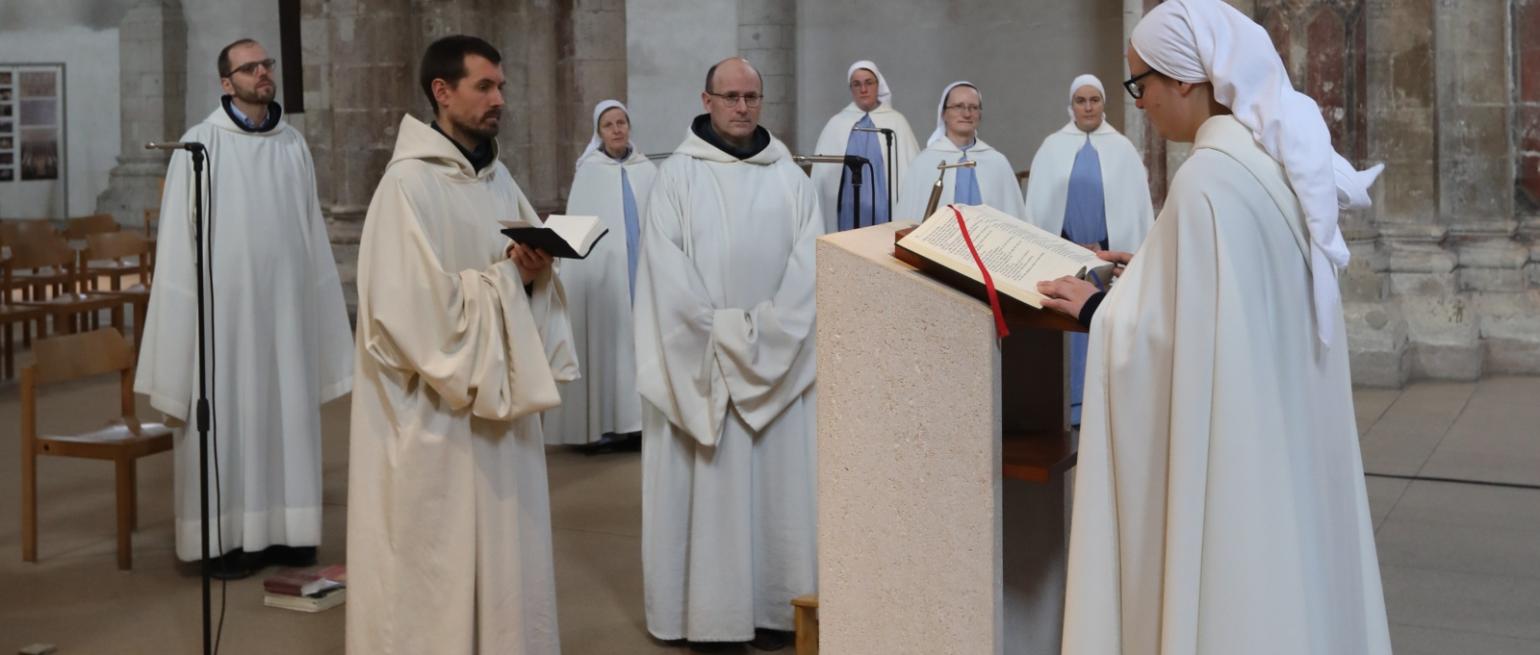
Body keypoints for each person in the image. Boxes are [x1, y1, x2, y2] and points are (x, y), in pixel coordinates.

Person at [1035, 1, 1393, 653]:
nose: (1137, 101)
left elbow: (1172, 344)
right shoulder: (1268, 158)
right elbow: (1226, 298)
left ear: (1186, 80)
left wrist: (1093, 309)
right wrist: (1148, 268)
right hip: (1281, 427)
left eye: (1140, 83)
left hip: (1240, 438)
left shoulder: (1206, 178)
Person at [346, 35, 576, 654]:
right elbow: (409, 317)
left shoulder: (500, 182)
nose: (499, 98)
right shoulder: (407, 188)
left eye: (501, 86)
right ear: (441, 93)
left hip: (500, 413)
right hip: (436, 419)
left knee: (505, 564)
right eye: (484, 86)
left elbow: (525, 286)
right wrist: (506, 279)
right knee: (435, 567)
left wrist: (533, 273)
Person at [135, 37, 353, 578]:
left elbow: (311, 233)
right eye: (249, 67)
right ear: (226, 82)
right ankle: (223, 540)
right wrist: (182, 330)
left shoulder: (292, 145)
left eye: (266, 65)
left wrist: (319, 315)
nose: (263, 73)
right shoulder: (199, 146)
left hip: (283, 315)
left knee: (285, 415)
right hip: (222, 322)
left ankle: (288, 532)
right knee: (227, 419)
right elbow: (178, 246)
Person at [635, 57, 820, 651]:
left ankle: (776, 606)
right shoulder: (678, 177)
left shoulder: (790, 177)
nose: (743, 107)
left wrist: (763, 337)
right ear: (706, 99)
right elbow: (667, 282)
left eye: (752, 97)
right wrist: (738, 340)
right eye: (731, 96)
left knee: (777, 495)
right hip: (705, 368)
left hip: (776, 367)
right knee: (709, 491)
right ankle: (709, 618)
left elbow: (812, 273)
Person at [1023, 73, 1154, 425]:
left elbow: (1135, 212)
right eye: (1081, 100)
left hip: (1107, 263)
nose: (1088, 106)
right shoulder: (1052, 147)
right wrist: (1063, 244)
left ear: (1104, 104)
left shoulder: (1123, 149)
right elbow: (1038, 210)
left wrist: (1107, 247)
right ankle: (1067, 405)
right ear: (1071, 105)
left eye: (1094, 99)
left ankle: (1104, 408)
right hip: (1062, 257)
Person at [543, 99, 655, 453]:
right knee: (608, 347)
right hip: (604, 281)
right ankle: (604, 428)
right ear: (599, 132)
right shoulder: (589, 172)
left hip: (642, 274)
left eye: (622, 122)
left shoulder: (646, 169)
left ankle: (640, 424)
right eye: (609, 124)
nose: (617, 129)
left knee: (641, 345)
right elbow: (581, 234)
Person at [810, 60, 920, 232]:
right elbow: (822, 177)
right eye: (856, 84)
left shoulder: (897, 122)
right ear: (851, 89)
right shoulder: (836, 123)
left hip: (885, 209)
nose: (863, 89)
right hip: (847, 208)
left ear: (878, 84)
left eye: (869, 82)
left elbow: (912, 173)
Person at [895, 81, 1026, 221]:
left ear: (980, 114)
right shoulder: (924, 162)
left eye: (973, 107)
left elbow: (1013, 219)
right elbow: (908, 219)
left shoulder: (997, 162)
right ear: (943, 114)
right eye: (958, 106)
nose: (967, 113)